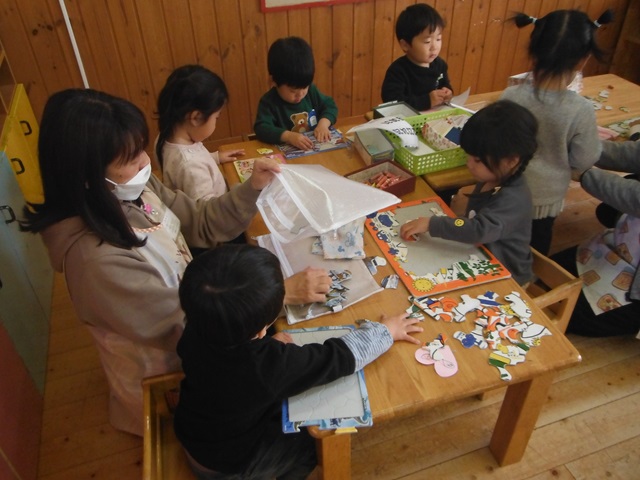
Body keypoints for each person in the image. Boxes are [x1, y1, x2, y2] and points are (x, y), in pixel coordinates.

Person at [18, 88, 325, 437]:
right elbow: (189, 329)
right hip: (173, 378)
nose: (144, 164)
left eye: (141, 150)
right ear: (87, 178)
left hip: (203, 321)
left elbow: (199, 220)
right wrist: (279, 294)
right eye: (129, 160)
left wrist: (252, 187)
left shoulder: (132, 188)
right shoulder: (94, 261)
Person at [174, 243, 423, 479]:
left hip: (195, 430)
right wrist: (386, 331)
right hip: (227, 465)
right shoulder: (265, 367)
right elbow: (337, 358)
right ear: (260, 331)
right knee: (310, 444)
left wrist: (266, 349)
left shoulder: (198, 326)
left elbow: (234, 370)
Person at [500, 9, 612, 255]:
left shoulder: (510, 96)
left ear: (533, 51)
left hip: (509, 189)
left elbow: (497, 142)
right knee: (536, 249)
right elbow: (584, 158)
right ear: (583, 60)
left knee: (503, 236)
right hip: (547, 200)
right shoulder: (580, 109)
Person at [400, 100, 538, 286]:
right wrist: (454, 221)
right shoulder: (494, 178)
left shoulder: (513, 199)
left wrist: (433, 224)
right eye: (468, 155)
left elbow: (478, 229)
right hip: (480, 257)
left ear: (511, 161)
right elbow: (470, 224)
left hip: (508, 278)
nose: (469, 164)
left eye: (478, 160)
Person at [551, 139, 640, 337]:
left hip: (634, 286)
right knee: (548, 273)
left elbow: (635, 197)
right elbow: (632, 154)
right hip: (623, 249)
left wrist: (586, 175)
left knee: (565, 312)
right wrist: (581, 147)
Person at [156, 65, 245, 201]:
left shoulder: (165, 137)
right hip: (218, 209)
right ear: (196, 118)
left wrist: (214, 157)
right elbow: (206, 211)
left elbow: (182, 165)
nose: (216, 122)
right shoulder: (191, 167)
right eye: (216, 117)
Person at [253, 36, 338, 151]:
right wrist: (288, 136)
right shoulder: (268, 102)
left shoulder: (311, 91)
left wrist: (323, 124)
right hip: (285, 156)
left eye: (305, 87)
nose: (300, 95)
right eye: (293, 91)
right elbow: (261, 128)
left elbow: (330, 105)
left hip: (315, 151)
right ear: (273, 81)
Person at [381, 3, 453, 111]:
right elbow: (392, 103)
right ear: (405, 45)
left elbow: (445, 84)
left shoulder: (440, 65)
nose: (434, 47)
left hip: (436, 116)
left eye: (438, 39)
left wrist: (448, 92)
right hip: (407, 119)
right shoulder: (398, 71)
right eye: (427, 41)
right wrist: (427, 101)